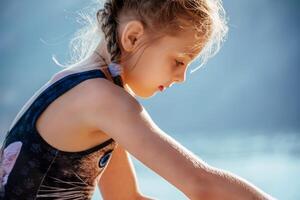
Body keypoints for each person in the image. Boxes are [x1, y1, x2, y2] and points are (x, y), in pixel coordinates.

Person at [0, 0, 276, 199]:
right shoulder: (101, 98)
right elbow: (200, 184)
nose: (181, 77)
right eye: (179, 61)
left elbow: (126, 197)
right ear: (132, 37)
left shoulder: (86, 87)